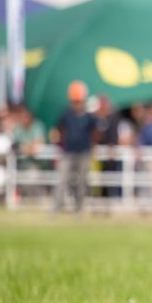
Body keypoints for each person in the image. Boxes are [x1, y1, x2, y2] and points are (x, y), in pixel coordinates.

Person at [53, 80, 96, 212]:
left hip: (84, 152)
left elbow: (94, 133)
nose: (76, 104)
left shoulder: (89, 117)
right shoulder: (66, 114)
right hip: (68, 152)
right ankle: (57, 206)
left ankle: (79, 208)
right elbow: (59, 130)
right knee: (63, 179)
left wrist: (92, 149)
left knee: (82, 181)